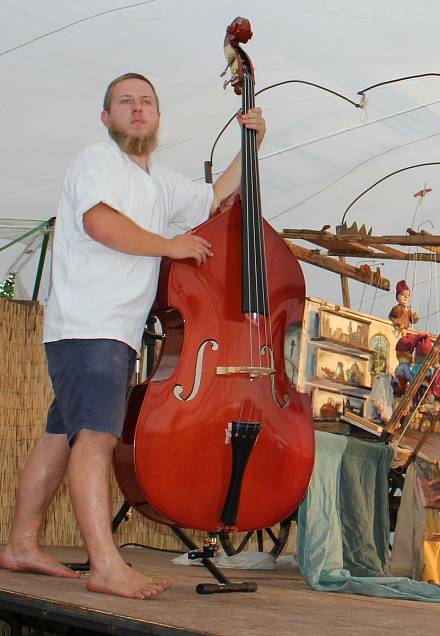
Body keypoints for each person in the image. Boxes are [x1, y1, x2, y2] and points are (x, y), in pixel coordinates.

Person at [0, 73, 266, 600]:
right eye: (125, 102)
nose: (137, 109)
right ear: (107, 118)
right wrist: (170, 245)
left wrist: (252, 144)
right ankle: (104, 564)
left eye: (146, 102)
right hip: (90, 327)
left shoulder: (159, 183)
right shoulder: (98, 161)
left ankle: (21, 544)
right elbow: (101, 224)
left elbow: (213, 196)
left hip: (106, 332)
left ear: (159, 118)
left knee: (61, 437)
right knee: (96, 441)